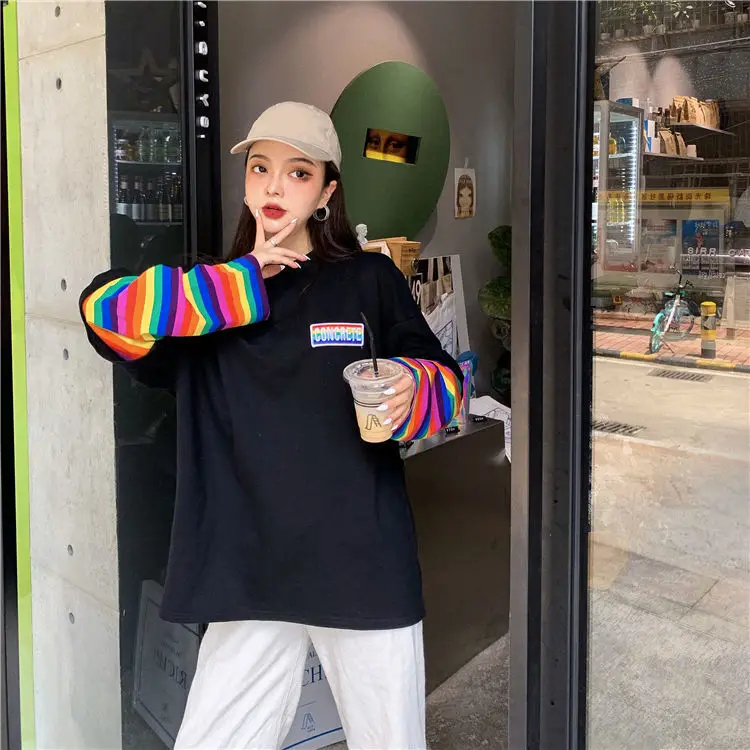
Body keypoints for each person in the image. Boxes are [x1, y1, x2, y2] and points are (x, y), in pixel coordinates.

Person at [80, 101, 462, 750]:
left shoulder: (366, 279)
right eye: (260, 168)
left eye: (298, 172)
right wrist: (234, 286)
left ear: (327, 192)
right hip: (247, 570)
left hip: (361, 562)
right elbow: (101, 310)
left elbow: (446, 383)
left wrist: (411, 387)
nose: (275, 186)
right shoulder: (202, 298)